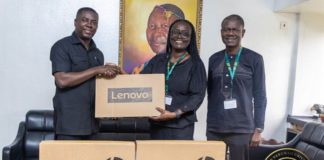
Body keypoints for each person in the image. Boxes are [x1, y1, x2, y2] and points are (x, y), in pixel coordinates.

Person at [50, 7, 119, 140]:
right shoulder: (61, 46)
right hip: (69, 126)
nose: (89, 25)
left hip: (93, 125)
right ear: (75, 22)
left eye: (94, 22)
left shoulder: (98, 54)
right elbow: (62, 81)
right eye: (84, 20)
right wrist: (97, 69)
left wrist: (112, 73)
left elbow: (99, 87)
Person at [206, 14, 267, 160]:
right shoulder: (214, 59)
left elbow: (260, 96)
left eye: (235, 30)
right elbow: (211, 92)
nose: (230, 33)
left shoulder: (255, 59)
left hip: (242, 129)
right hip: (215, 128)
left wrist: (258, 129)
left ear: (243, 32)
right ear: (221, 32)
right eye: (226, 30)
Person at [141, 19, 207, 140]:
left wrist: (174, 114)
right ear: (170, 34)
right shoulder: (158, 60)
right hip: (156, 124)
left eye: (185, 33)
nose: (179, 36)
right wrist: (120, 74)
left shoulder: (195, 64)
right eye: (175, 32)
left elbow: (197, 95)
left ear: (191, 38)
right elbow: (140, 82)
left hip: (180, 127)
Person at [132, 4, 185, 74]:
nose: (156, 34)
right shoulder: (147, 66)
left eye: (165, 26)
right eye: (151, 26)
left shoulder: (190, 66)